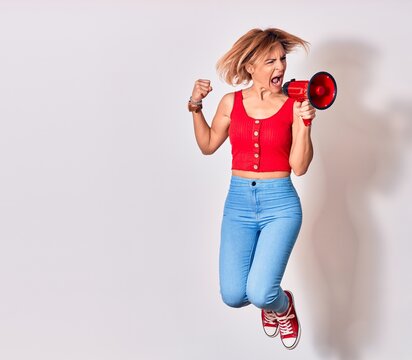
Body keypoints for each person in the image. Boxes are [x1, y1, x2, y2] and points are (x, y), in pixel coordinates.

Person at [188, 28, 316, 350]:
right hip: (239, 204)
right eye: (270, 61)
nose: (280, 68)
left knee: (261, 293)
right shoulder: (231, 103)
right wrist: (195, 105)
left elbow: (299, 167)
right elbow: (207, 145)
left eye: (282, 59)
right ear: (249, 67)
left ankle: (281, 305)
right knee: (233, 295)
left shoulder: (294, 105)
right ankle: (273, 304)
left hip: (280, 205)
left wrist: (305, 124)